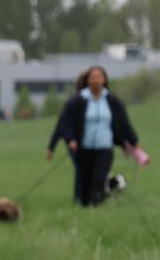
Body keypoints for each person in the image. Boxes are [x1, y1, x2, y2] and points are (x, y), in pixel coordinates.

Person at [49, 66, 142, 207]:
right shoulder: (78, 101)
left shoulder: (111, 100)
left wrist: (133, 142)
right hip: (83, 148)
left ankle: (96, 205)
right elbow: (65, 123)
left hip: (104, 147)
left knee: (98, 178)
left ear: (104, 80)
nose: (96, 80)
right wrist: (69, 140)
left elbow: (123, 122)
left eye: (100, 77)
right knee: (85, 181)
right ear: (88, 80)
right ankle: (84, 203)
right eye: (93, 77)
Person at [47, 70, 90, 202]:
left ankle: (91, 198)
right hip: (76, 144)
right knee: (81, 170)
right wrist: (52, 147)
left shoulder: (102, 101)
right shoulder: (73, 103)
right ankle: (79, 199)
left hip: (96, 143)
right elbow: (62, 125)